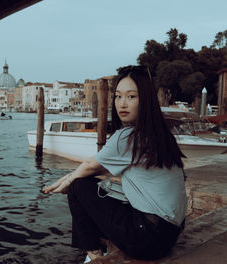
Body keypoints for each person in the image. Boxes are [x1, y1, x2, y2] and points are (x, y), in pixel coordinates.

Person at [43, 65, 187, 262]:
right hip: (168, 236)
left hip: (147, 239)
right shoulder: (160, 135)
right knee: (90, 184)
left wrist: (66, 182)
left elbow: (88, 167)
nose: (122, 104)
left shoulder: (127, 137)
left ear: (145, 100)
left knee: (79, 187)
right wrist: (69, 178)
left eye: (131, 97)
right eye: (118, 96)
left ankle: (94, 256)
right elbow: (97, 167)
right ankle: (99, 245)